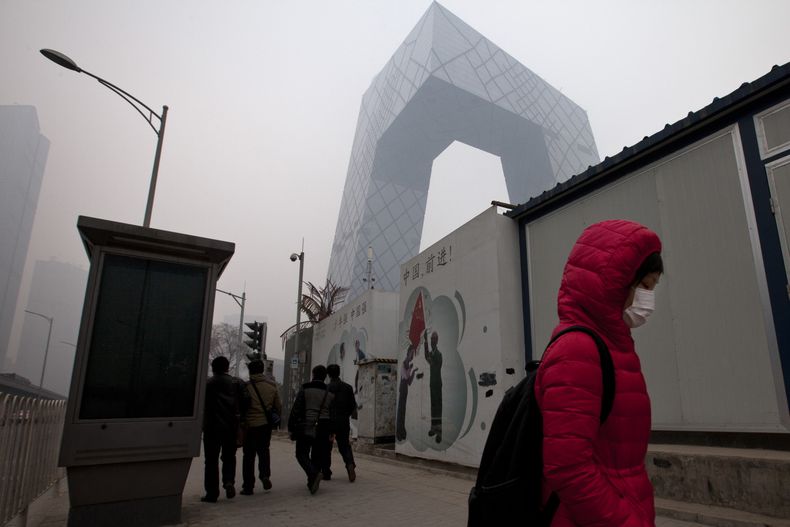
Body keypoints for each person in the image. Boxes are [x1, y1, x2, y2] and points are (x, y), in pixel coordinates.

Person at [535, 219, 663, 526]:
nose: (648, 301)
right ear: (614, 283)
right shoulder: (578, 351)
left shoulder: (614, 347)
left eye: (653, 289)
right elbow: (568, 468)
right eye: (644, 287)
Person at [201, 356, 244, 503]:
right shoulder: (237, 383)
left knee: (211, 461)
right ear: (227, 368)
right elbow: (247, 401)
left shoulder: (208, 383)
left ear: (213, 368)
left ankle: (212, 493)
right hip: (231, 427)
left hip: (211, 427)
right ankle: (229, 481)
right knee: (229, 457)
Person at [289, 364, 335, 494]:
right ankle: (312, 481)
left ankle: (313, 474)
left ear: (313, 374)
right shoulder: (329, 392)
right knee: (318, 454)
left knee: (301, 453)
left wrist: (291, 427)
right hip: (324, 426)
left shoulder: (305, 388)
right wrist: (332, 431)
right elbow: (332, 414)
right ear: (325, 377)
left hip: (307, 425)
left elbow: (296, 409)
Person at [240, 359, 282, 496]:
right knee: (264, 451)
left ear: (250, 371)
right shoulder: (271, 386)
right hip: (265, 425)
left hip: (249, 425)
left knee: (248, 455)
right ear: (262, 370)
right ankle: (264, 476)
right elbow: (278, 406)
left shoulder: (245, 387)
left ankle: (248, 486)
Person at [326, 363, 358, 482]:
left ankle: (326, 472)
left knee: (327, 447)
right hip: (343, 421)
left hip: (329, 423)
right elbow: (352, 406)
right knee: (344, 445)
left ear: (329, 375)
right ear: (339, 373)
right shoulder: (348, 387)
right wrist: (345, 415)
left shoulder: (327, 388)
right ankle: (350, 464)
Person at [395, 343, 419, 441]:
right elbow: (405, 377)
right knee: (401, 411)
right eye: (411, 353)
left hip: (405, 390)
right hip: (403, 389)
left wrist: (413, 371)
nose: (412, 355)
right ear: (408, 353)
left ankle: (401, 432)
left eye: (413, 353)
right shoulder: (405, 362)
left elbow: (409, 381)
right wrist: (410, 370)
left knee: (402, 411)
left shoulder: (407, 364)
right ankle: (400, 433)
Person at [423, 329, 443, 443]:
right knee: (433, 405)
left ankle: (439, 431)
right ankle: (433, 427)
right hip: (432, 384)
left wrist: (430, 359)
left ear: (437, 340)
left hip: (437, 384)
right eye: (431, 339)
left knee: (438, 406)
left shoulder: (439, 355)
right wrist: (425, 340)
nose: (432, 341)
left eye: (433, 339)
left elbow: (432, 363)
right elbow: (427, 356)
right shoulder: (432, 354)